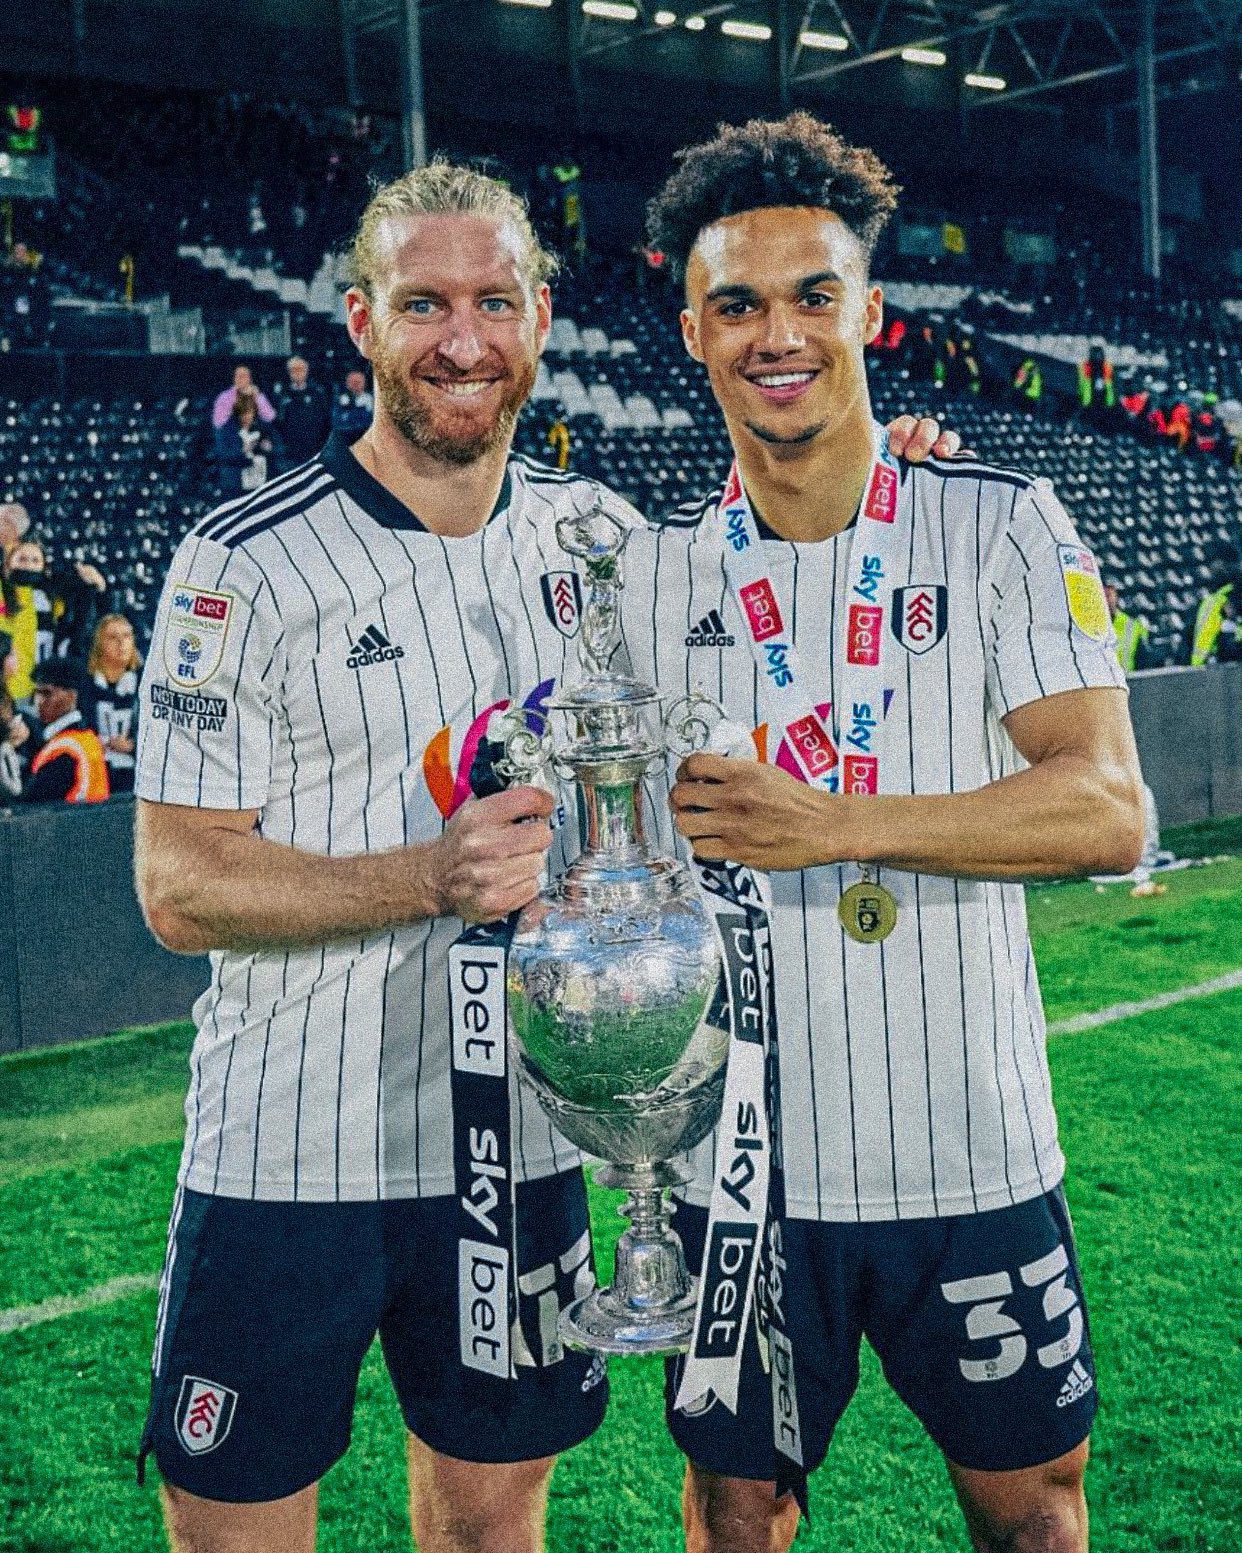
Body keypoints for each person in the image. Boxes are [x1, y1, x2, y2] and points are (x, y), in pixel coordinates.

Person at [131, 156, 954, 1553]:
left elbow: (794, 612)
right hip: (286, 1152)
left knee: (491, 1528)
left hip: (523, 1145)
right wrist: (423, 876)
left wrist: (893, 479)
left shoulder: (605, 544)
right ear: (360, 320)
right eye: (423, 304)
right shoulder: (244, 561)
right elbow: (178, 884)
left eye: (493, 302)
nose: (462, 340)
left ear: (542, 318)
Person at [637, 113, 1144, 1553]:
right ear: (693, 330)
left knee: (1034, 1515)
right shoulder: (650, 573)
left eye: (814, 295)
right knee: (735, 1516)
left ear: (871, 311)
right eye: (738, 303)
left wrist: (834, 823)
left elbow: (1107, 806)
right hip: (739, 1178)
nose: (777, 334)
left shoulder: (1000, 524)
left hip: (969, 1154)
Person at [1, 535, 109, 701]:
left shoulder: (54, 596)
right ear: (9, 563)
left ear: (44, 566)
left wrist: (98, 586)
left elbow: (84, 622)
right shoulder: (4, 591)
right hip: (10, 682)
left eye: (35, 560)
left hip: (47, 684)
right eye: (22, 559)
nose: (28, 565)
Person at [24, 658, 109, 804]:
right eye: (36, 693)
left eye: (46, 693)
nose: (38, 702)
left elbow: (33, 801)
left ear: (71, 696)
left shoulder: (65, 749)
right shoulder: (87, 737)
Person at [86, 612, 142, 794]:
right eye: (112, 637)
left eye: (127, 636)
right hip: (93, 767)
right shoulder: (86, 683)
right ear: (99, 644)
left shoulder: (145, 682)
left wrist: (133, 746)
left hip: (133, 773)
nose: (121, 643)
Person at [212, 389, 279, 498]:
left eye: (249, 412)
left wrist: (269, 448)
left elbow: (279, 447)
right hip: (237, 485)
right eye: (242, 412)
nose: (246, 417)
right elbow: (222, 455)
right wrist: (242, 451)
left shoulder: (263, 428)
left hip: (261, 482)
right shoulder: (226, 431)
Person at [270, 354, 332, 468]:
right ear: (289, 372)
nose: (297, 373)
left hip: (314, 450)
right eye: (294, 370)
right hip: (289, 453)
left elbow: (326, 421)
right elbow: (276, 421)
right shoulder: (281, 395)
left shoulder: (317, 393)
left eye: (300, 369)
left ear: (306, 371)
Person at [211, 363, 276, 431]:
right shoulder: (224, 396)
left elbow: (270, 417)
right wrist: (233, 397)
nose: (240, 378)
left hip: (254, 432)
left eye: (244, 375)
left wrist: (257, 396)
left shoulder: (257, 395)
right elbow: (218, 422)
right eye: (238, 375)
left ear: (250, 379)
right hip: (231, 433)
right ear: (234, 378)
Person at [1105, 584, 1151, 673]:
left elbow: (1144, 659)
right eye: (1101, 596)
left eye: (1108, 595)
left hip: (1128, 677)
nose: (1105, 600)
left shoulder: (1132, 625)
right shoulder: (1090, 626)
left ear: (1116, 597)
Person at [332, 366, 374, 438]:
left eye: (358, 382)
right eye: (352, 382)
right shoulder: (341, 400)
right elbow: (336, 421)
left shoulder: (370, 399)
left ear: (364, 383)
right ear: (347, 383)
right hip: (344, 436)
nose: (355, 385)